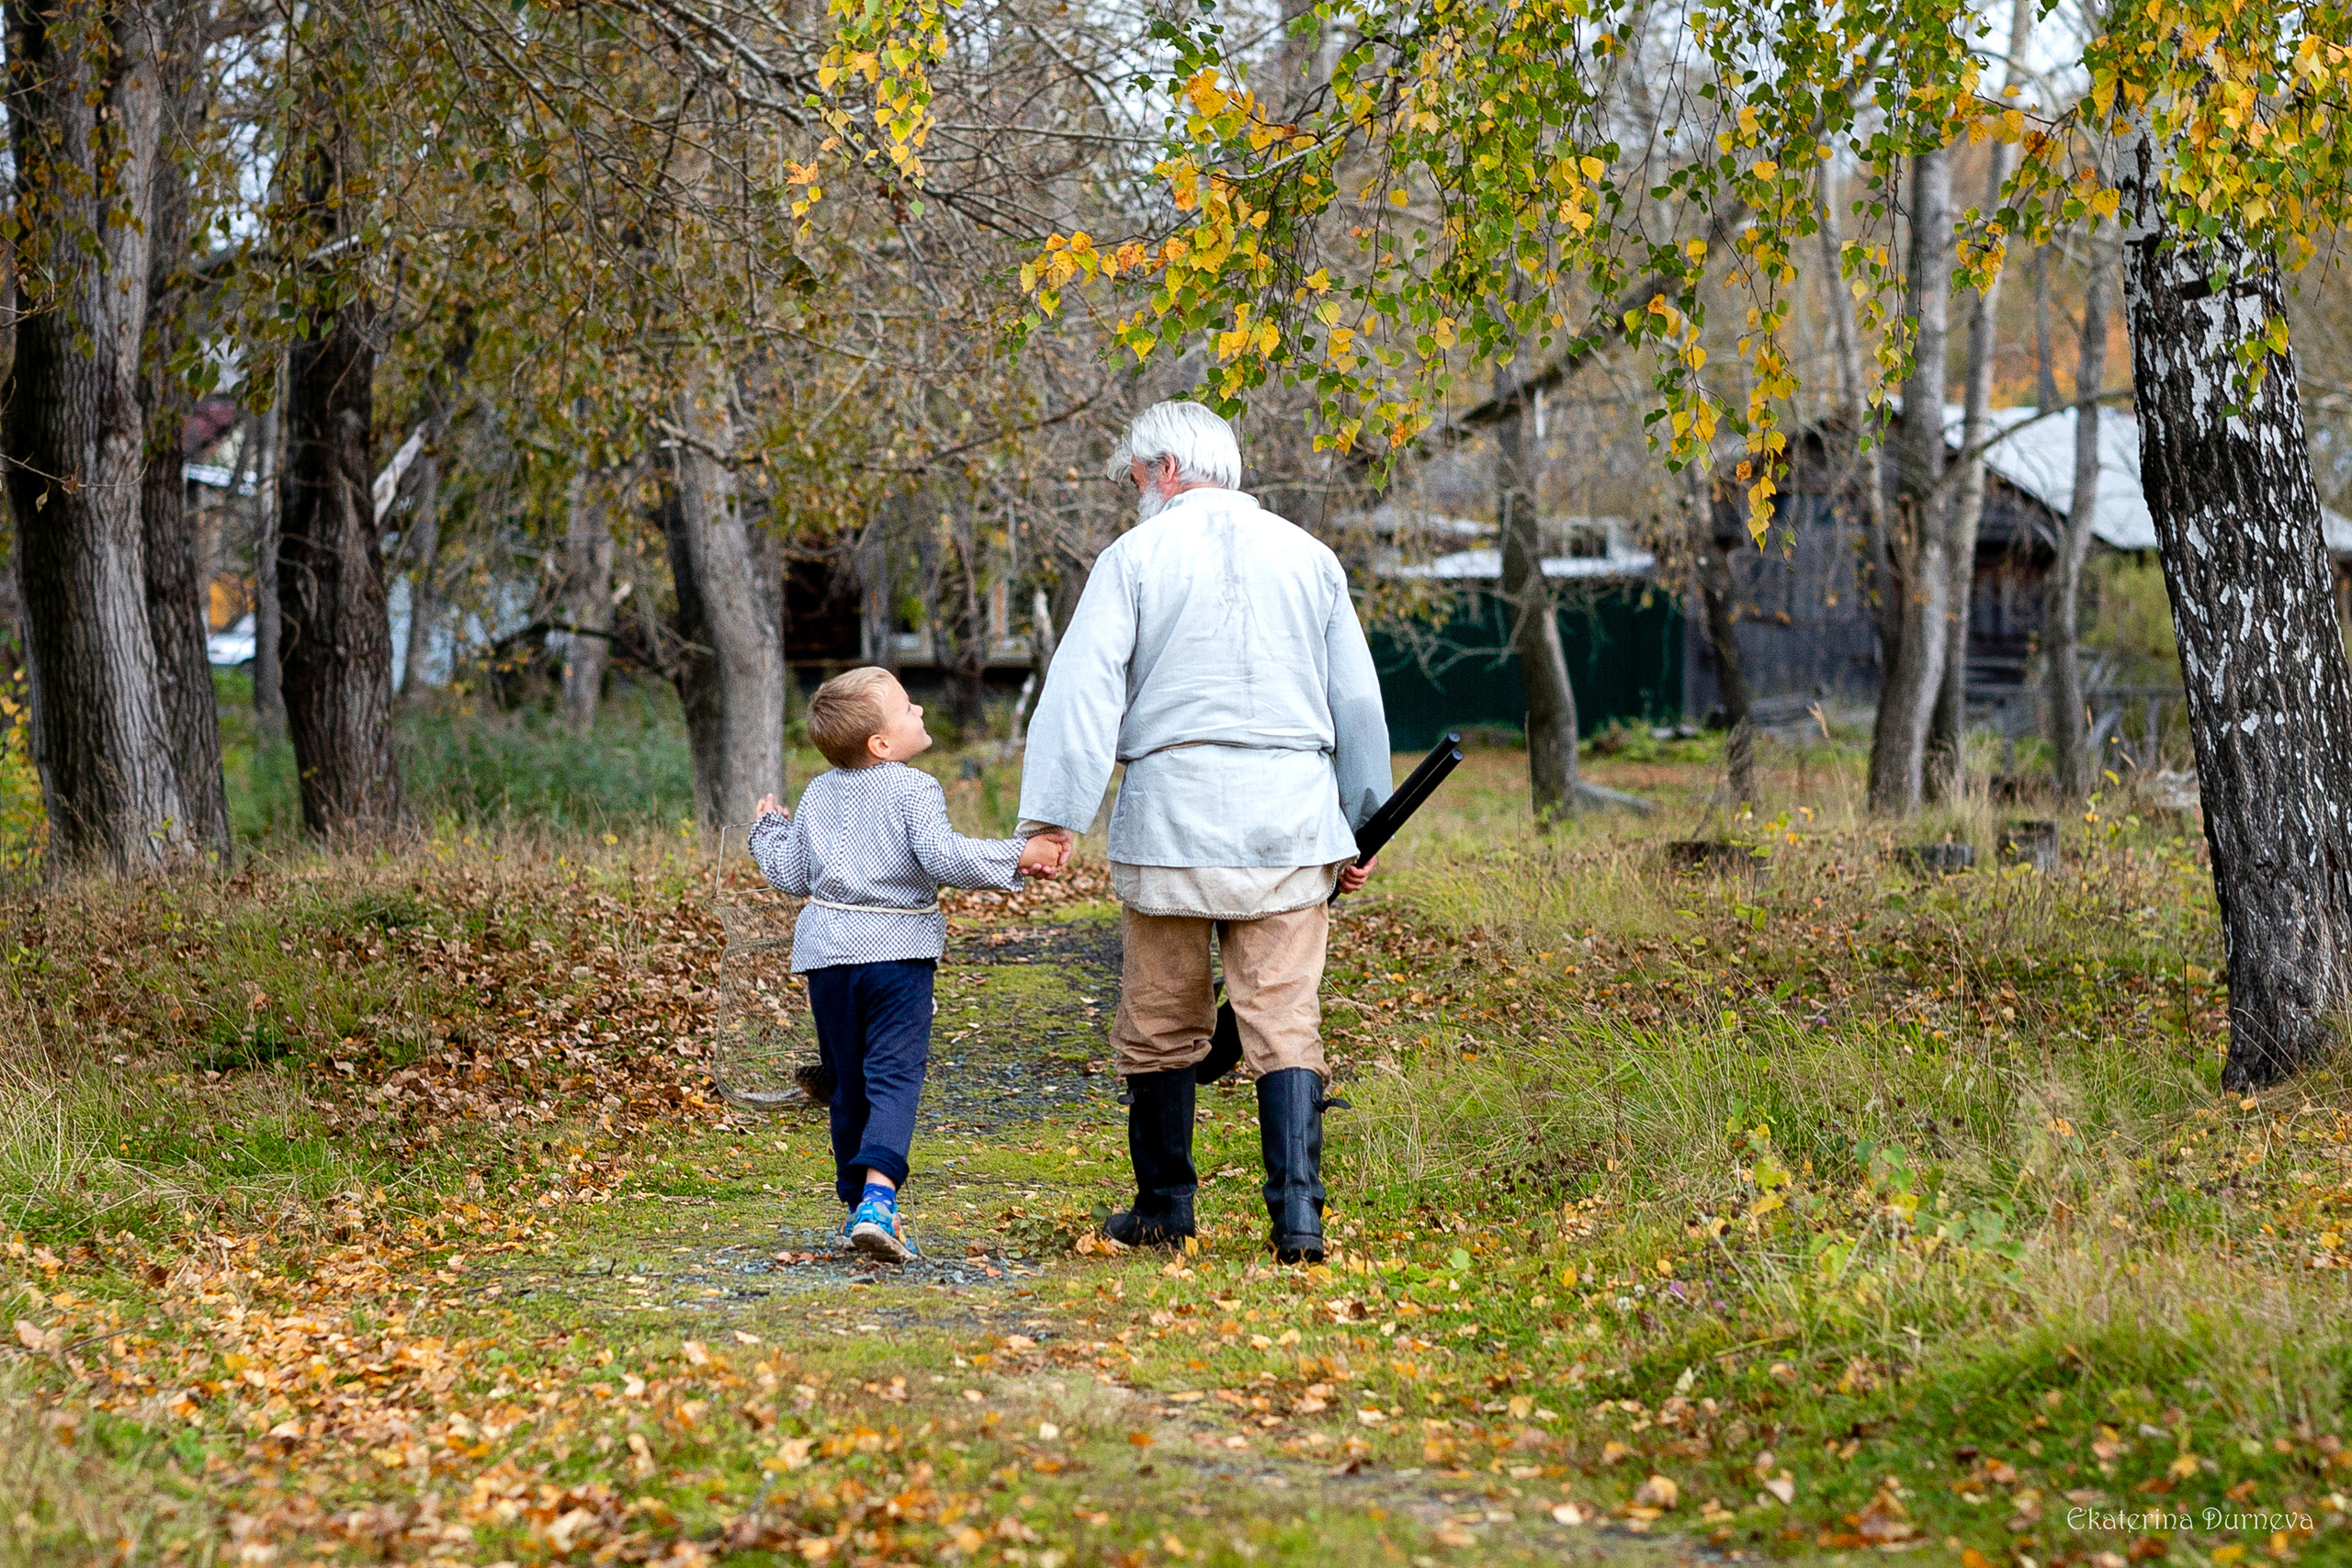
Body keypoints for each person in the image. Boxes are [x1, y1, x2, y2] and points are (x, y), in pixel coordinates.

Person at [1018, 400, 1390, 1264]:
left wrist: (1054, 819)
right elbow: (1357, 701)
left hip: (1172, 826)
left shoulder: (1134, 557)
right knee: (1284, 1017)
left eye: (1136, 476)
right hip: (1289, 825)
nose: (1136, 493)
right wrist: (1362, 826)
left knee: (1160, 1019)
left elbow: (1083, 689)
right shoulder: (1310, 557)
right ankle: (1298, 1221)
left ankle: (1164, 1209)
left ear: (1167, 470)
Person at [749, 667, 1063, 1261]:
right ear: (881, 744)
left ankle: (857, 1206)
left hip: (829, 962)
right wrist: (1018, 853)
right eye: (907, 706)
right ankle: (877, 1202)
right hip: (897, 958)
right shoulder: (915, 788)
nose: (919, 708)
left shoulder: (816, 794)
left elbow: (790, 874)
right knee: (894, 1075)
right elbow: (945, 856)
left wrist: (767, 829)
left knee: (847, 1083)